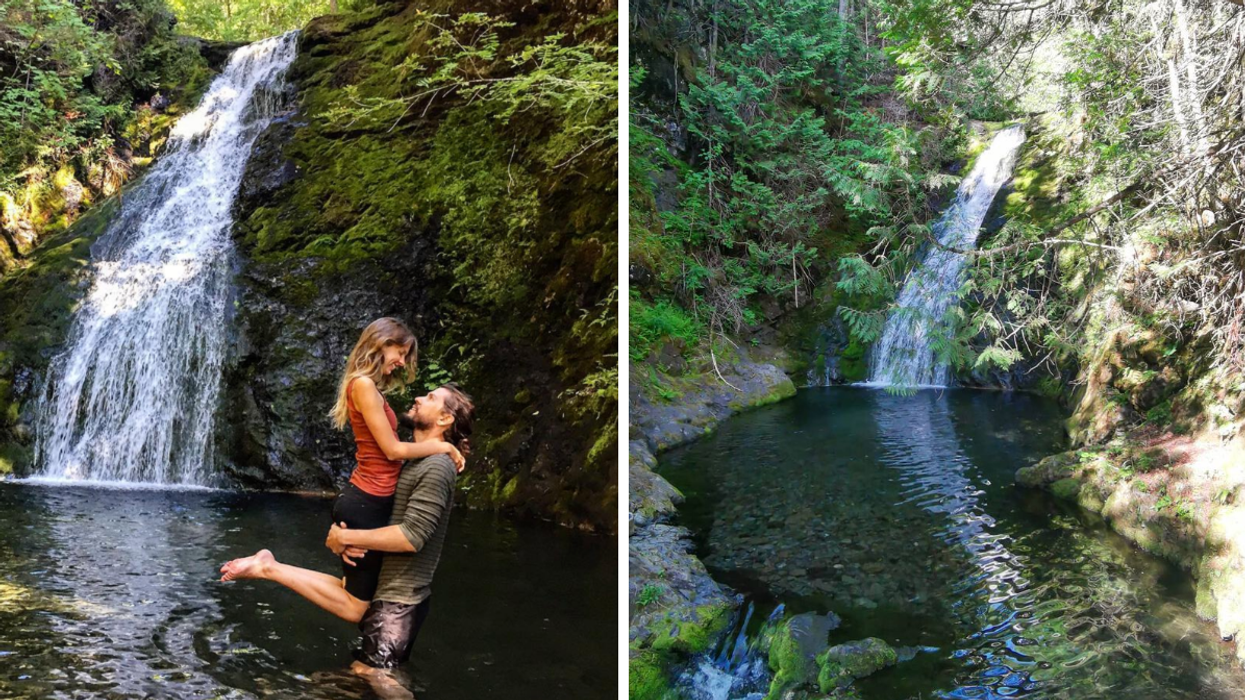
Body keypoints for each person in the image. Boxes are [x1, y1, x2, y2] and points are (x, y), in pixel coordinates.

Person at [220, 383, 475, 695]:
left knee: (378, 676)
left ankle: (268, 569)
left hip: (399, 600)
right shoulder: (419, 459)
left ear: (445, 419)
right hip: (386, 590)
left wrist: (346, 536)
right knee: (356, 669)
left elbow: (413, 537)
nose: (419, 398)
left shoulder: (437, 467)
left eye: (431, 398)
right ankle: (268, 567)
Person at [327, 317, 463, 600]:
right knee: (355, 605)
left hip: (369, 499)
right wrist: (446, 448)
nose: (402, 362)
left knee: (354, 591)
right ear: (383, 343)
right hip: (367, 499)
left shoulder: (368, 387)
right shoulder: (363, 385)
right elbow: (393, 450)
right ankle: (269, 568)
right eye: (400, 353)